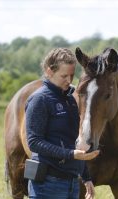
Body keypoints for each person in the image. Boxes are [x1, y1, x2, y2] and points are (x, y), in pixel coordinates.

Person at [25, 48, 99, 199]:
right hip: (47, 185)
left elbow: (73, 141)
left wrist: (86, 178)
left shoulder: (70, 100)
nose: (69, 80)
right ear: (49, 71)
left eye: (72, 75)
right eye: (64, 75)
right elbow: (34, 142)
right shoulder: (40, 100)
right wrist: (70, 154)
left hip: (72, 183)